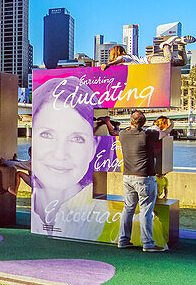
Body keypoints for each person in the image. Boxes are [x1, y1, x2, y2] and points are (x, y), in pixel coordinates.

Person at [30, 77, 105, 239]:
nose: (59, 153)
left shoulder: (110, 218)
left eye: (77, 138)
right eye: (47, 135)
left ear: (93, 148)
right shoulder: (32, 210)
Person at [106, 110, 173, 252]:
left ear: (130, 122)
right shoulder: (148, 134)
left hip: (127, 177)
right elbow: (165, 133)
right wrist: (171, 124)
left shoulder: (123, 134)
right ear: (144, 123)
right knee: (146, 211)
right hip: (145, 178)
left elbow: (113, 132)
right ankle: (148, 243)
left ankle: (123, 240)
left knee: (128, 208)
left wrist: (109, 123)